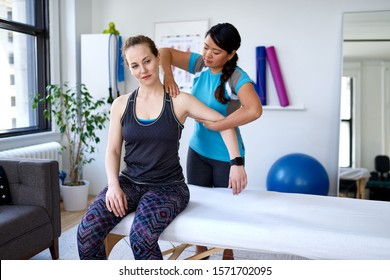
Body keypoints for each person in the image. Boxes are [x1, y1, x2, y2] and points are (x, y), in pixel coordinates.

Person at [77, 35, 247, 260]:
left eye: (147, 61)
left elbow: (224, 124)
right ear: (129, 68)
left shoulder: (179, 101)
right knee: (86, 233)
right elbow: (113, 151)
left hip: (168, 188)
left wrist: (236, 162)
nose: (143, 70)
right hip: (129, 183)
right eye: (135, 65)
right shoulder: (120, 104)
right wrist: (112, 185)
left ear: (158, 58)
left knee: (141, 237)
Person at [159, 22, 262, 259]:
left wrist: (219, 124)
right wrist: (168, 76)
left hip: (226, 155)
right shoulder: (199, 64)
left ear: (231, 54)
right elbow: (164, 52)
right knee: (197, 206)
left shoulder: (237, 78)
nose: (207, 55)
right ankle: (201, 253)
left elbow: (254, 110)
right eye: (205, 47)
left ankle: (227, 253)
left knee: (225, 211)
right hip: (198, 150)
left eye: (215, 52)